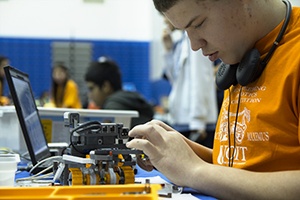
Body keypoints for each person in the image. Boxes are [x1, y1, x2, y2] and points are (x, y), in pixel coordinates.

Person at [126, 0, 300, 199]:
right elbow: (242, 167)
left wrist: (195, 172)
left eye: (198, 24)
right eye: (184, 31)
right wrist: (182, 152)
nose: (194, 45)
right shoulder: (241, 54)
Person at [161, 16, 218, 147]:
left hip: (196, 124)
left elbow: (200, 79)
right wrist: (168, 50)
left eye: (165, 15)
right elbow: (175, 80)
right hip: (183, 121)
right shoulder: (181, 42)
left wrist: (198, 122)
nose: (164, 21)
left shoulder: (193, 40)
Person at [85, 57, 154, 129]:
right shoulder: (127, 99)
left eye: (91, 88)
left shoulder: (112, 106)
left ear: (106, 86)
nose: (89, 94)